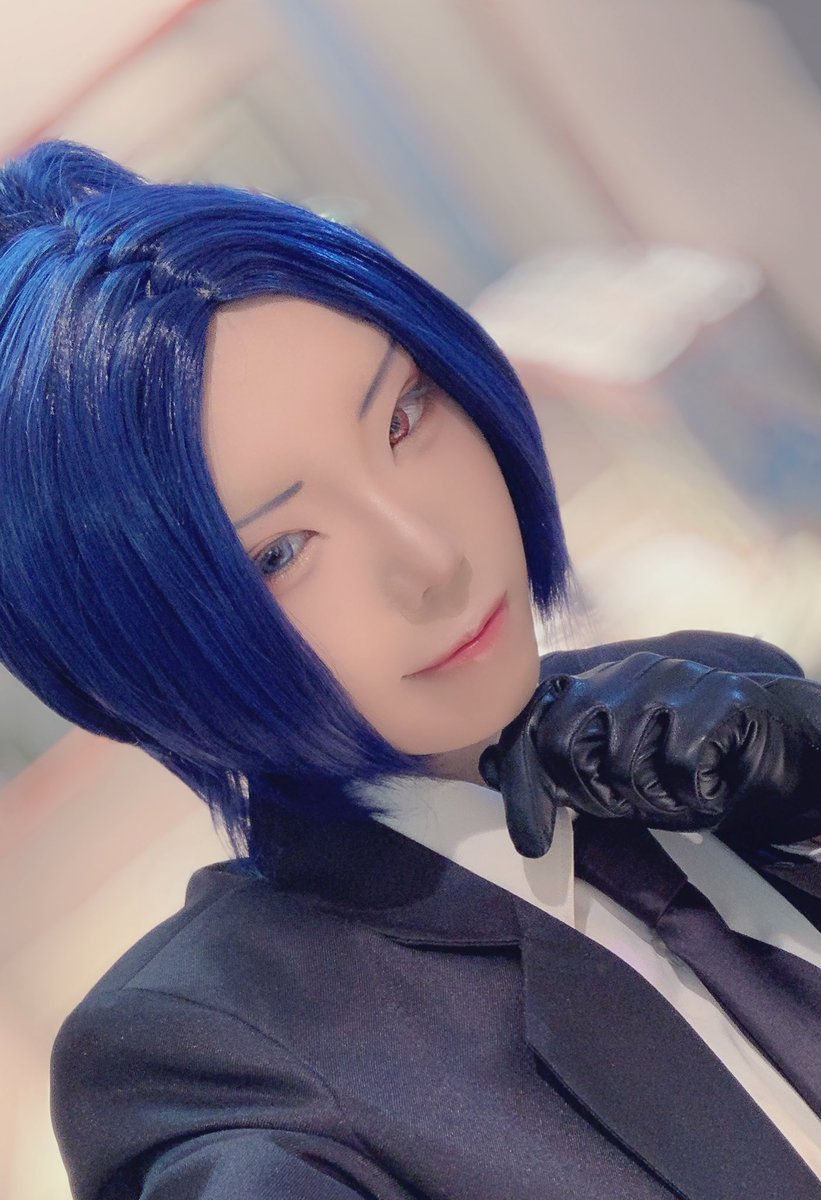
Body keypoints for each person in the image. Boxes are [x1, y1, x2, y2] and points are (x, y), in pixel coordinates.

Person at [0, 141, 819, 1199]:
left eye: (401, 418)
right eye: (279, 553)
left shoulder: (713, 702)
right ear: (132, 657)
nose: (431, 559)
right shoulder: (217, 1059)